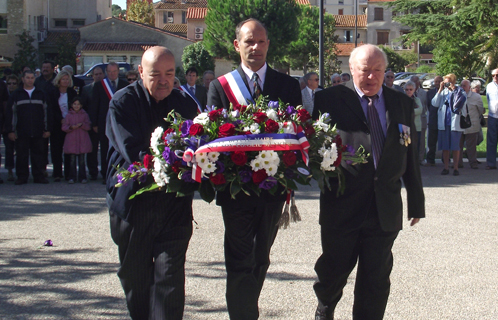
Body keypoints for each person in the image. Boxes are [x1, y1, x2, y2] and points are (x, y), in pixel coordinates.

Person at [312, 44, 425, 320]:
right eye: (365, 70)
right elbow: (315, 148)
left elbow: (408, 150)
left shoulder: (401, 103)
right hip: (342, 205)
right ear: (352, 69)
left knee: (376, 280)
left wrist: (416, 201)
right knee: (333, 272)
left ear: (386, 72)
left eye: (378, 70)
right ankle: (324, 309)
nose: (372, 76)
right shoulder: (329, 99)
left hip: (384, 207)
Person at [207, 18, 302, 320]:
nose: (256, 47)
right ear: (237, 45)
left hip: (272, 189)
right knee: (239, 259)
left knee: (260, 258)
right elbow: (212, 138)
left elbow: (297, 134)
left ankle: (247, 309)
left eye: (261, 41)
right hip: (235, 189)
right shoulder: (219, 88)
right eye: (249, 41)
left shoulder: (287, 85)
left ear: (268, 45)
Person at [106, 46, 198, 320]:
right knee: (136, 280)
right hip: (134, 204)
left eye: (169, 73)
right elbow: (132, 150)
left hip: (174, 204)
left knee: (169, 278)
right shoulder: (122, 103)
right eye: (155, 74)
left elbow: (198, 146)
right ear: (140, 73)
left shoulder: (185, 104)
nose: (163, 80)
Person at [5, 70, 52, 185]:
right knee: (21, 155)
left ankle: (39, 176)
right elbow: (11, 114)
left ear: (34, 79)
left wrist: (47, 129)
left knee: (39, 155)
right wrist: (11, 131)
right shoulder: (16, 94)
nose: (30, 80)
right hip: (21, 131)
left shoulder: (41, 93)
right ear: (23, 79)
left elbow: (47, 112)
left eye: (32, 78)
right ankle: (22, 176)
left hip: (38, 130)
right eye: (27, 78)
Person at [88, 62, 128, 182]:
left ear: (118, 72)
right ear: (106, 73)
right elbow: (94, 105)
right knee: (105, 149)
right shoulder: (99, 85)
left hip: (121, 123)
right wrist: (94, 123)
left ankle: (119, 174)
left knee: (119, 149)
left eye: (114, 71)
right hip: (103, 123)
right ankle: (106, 174)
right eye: (110, 72)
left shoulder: (124, 85)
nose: (112, 74)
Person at [432, 73, 466, 176]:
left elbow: (463, 102)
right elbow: (434, 103)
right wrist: (440, 89)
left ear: (453, 81)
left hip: (454, 123)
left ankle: (455, 168)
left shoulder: (459, 91)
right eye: (445, 82)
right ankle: (446, 167)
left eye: (449, 82)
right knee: (445, 147)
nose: (447, 84)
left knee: (455, 147)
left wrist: (453, 91)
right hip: (444, 123)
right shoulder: (442, 92)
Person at [49, 70, 78, 182]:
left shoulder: (72, 93)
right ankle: (57, 173)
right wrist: (60, 119)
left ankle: (68, 173)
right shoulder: (53, 92)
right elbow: (52, 109)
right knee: (56, 150)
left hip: (69, 125)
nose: (65, 81)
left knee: (68, 150)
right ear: (59, 80)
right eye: (63, 79)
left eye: (67, 79)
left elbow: (76, 106)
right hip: (57, 125)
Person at [80, 66, 105, 180]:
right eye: (96, 74)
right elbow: (83, 107)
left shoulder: (107, 88)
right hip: (91, 124)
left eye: (100, 74)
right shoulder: (87, 89)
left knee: (105, 149)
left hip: (104, 124)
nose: (98, 76)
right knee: (92, 150)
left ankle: (105, 172)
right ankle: (92, 172)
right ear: (92, 76)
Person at [62, 97, 92, 183]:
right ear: (71, 105)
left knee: (82, 161)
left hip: (82, 140)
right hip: (72, 141)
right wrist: (71, 127)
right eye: (75, 104)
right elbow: (64, 127)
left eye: (78, 104)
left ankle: (83, 177)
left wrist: (82, 125)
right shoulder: (68, 115)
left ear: (81, 105)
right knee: (72, 160)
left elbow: (88, 126)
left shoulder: (84, 114)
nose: (76, 106)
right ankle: (72, 177)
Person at [459, 80, 484, 169]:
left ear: (469, 87)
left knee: (471, 146)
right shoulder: (457, 95)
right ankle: (458, 163)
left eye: (465, 85)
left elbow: (480, 110)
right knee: (459, 145)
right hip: (459, 125)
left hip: (472, 125)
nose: (463, 87)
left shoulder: (476, 97)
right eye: (461, 85)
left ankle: (473, 163)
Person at [3, 75, 19, 181]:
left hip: (20, 126)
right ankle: (9, 171)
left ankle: (20, 171)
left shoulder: (20, 94)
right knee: (9, 150)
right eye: (9, 83)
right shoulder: (3, 96)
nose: (11, 85)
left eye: (14, 83)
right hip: (7, 126)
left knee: (21, 150)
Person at [425, 75, 443, 166]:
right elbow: (429, 106)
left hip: (443, 120)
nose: (437, 83)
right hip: (433, 120)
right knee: (431, 142)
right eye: (436, 81)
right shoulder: (429, 93)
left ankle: (445, 160)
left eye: (439, 81)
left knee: (444, 141)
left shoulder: (446, 92)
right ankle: (430, 160)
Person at [410, 75, 428, 164]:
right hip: (410, 121)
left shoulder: (424, 93)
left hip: (422, 120)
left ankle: (420, 159)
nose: (415, 83)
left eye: (416, 81)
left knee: (421, 141)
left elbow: (425, 107)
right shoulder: (408, 93)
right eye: (413, 81)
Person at [404, 80, 424, 155]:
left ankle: (415, 164)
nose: (409, 91)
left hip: (416, 127)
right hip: (405, 128)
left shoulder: (417, 100)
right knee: (406, 146)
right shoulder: (402, 99)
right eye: (407, 89)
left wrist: (409, 111)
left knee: (415, 147)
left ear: (414, 90)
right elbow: (402, 111)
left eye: (411, 89)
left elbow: (420, 110)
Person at [485, 68, 498, 170]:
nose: (495, 77)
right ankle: (491, 163)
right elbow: (488, 99)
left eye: (497, 75)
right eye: (493, 75)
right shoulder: (489, 86)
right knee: (491, 141)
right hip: (493, 117)